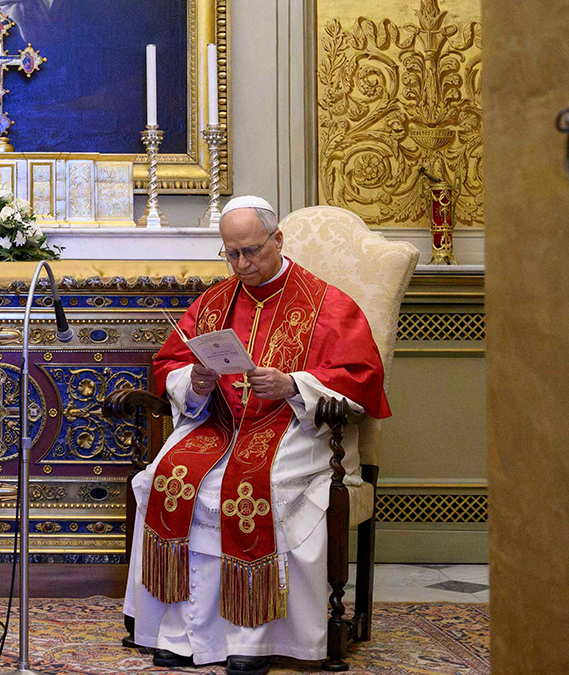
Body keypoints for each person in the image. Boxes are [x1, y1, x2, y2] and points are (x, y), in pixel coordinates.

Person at [121, 196, 391, 675]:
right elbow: (169, 365)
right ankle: (179, 633)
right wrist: (194, 382)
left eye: (251, 251)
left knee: (248, 486)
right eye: (232, 254)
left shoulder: (327, 304)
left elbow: (361, 378)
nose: (242, 264)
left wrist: (292, 384)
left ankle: (254, 637)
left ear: (277, 240)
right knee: (170, 474)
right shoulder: (214, 302)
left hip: (292, 430)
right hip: (219, 426)